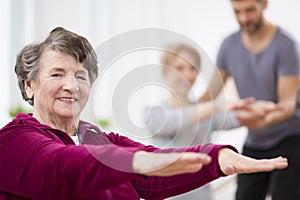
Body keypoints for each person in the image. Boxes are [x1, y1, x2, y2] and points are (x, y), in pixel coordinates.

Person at [0, 27, 288, 200]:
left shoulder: (98, 138)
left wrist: (221, 159)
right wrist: (140, 160)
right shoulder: (13, 141)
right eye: (57, 73)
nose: (71, 85)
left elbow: (153, 175)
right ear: (29, 84)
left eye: (81, 75)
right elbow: (63, 166)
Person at [200, 0, 300, 199]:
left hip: (289, 138)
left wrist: (257, 117)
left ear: (264, 4)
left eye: (250, 10)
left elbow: (287, 106)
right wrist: (180, 110)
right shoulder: (229, 45)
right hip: (255, 140)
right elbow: (207, 97)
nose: (244, 18)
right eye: (237, 12)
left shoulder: (285, 45)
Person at [145, 43, 249, 199]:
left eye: (192, 68)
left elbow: (236, 119)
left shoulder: (207, 113)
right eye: (180, 68)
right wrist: (214, 105)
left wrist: (259, 109)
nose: (187, 74)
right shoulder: (154, 113)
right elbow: (174, 121)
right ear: (165, 72)